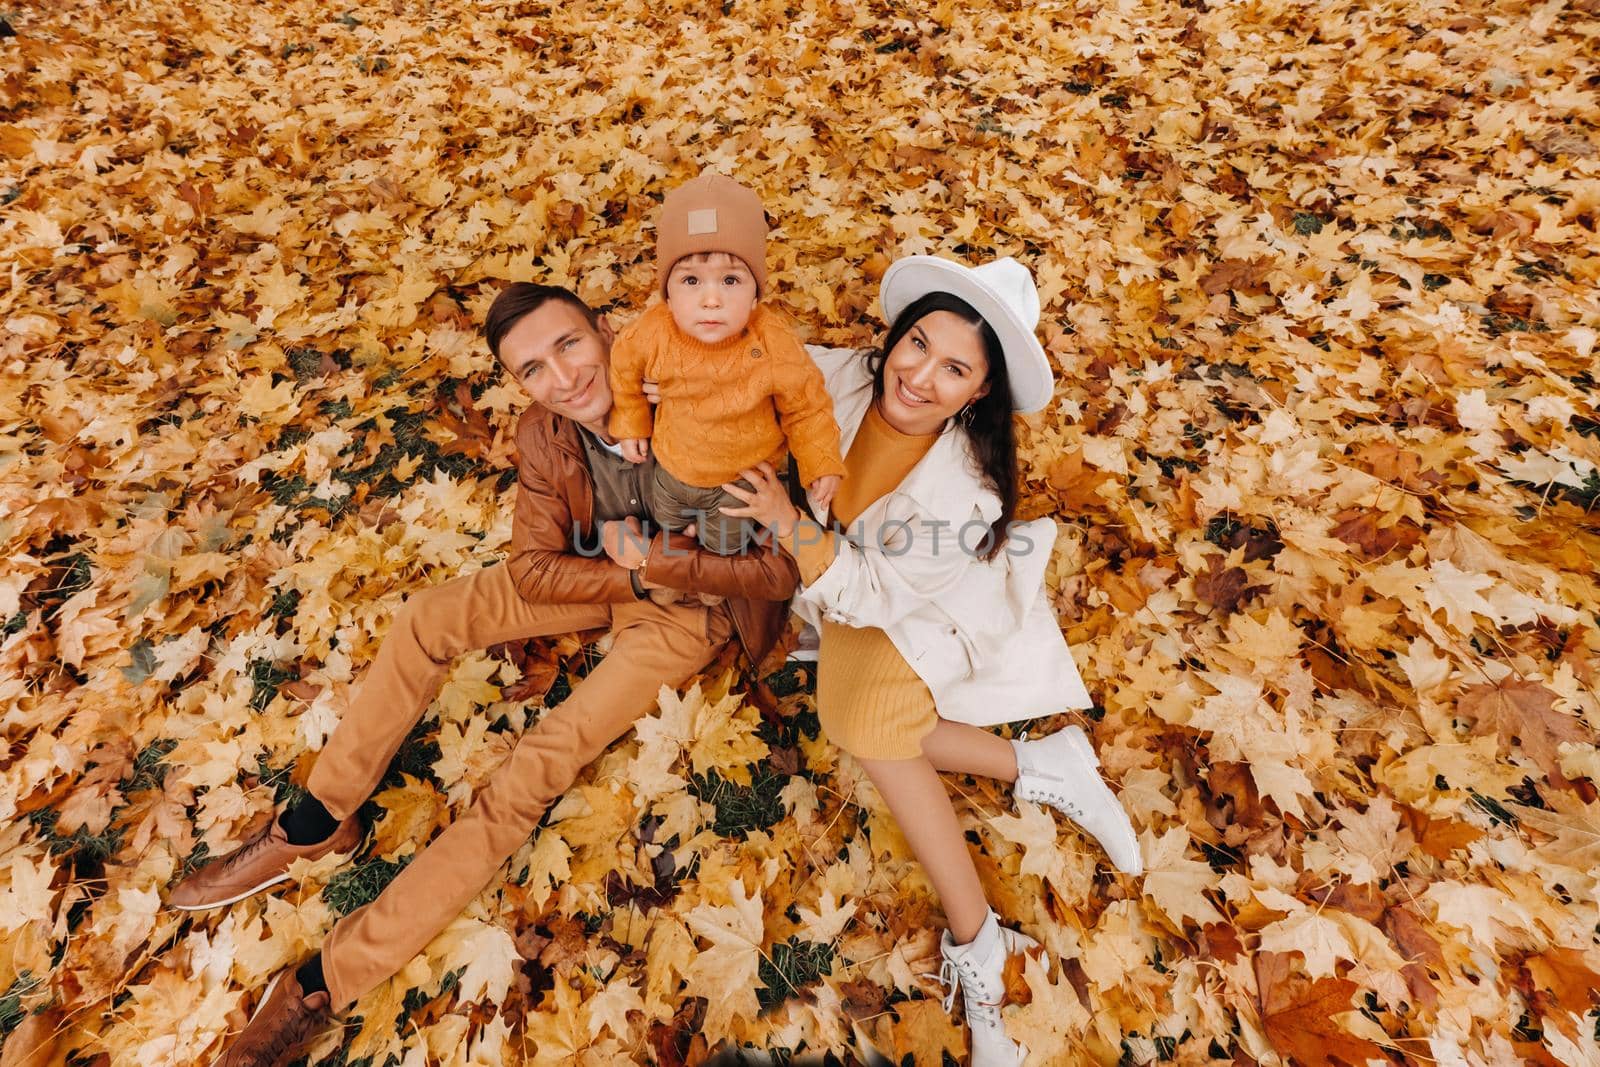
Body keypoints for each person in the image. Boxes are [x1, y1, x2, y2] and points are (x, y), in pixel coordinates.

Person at [173, 283, 800, 1067]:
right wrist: (628, 576)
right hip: (602, 576)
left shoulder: (697, 394)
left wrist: (661, 569)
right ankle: (314, 820)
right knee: (429, 617)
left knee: (535, 764)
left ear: (607, 330)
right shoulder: (546, 433)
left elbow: (772, 567)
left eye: (569, 345)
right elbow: (536, 570)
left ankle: (328, 977)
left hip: (691, 608)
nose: (563, 378)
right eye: (533, 368)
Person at [719, 254, 1143, 1067]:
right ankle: (1041, 763)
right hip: (840, 585)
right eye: (917, 345)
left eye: (954, 369)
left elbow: (878, 594)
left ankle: (981, 945)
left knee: (868, 726)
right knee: (866, 721)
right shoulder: (841, 377)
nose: (918, 376)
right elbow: (745, 354)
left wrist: (784, 518)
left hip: (917, 606)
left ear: (979, 391)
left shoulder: (970, 488)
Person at [608, 172, 845, 555]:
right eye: (691, 281)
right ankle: (673, 566)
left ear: (756, 295)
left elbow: (807, 407)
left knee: (725, 543)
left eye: (731, 281)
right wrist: (631, 419)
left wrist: (820, 462)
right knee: (668, 526)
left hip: (741, 479)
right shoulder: (651, 332)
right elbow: (624, 369)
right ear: (667, 293)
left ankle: (713, 582)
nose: (711, 299)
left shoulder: (772, 342)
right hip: (672, 467)